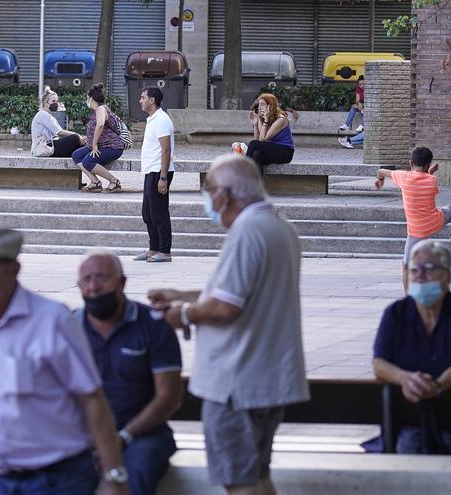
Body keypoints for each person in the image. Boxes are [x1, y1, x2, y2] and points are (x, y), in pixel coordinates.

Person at [149, 154, 309, 495]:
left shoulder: (248, 232)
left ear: (224, 193)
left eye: (208, 189)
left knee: (240, 483)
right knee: (257, 477)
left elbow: (225, 306)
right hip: (264, 381)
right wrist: (183, 294)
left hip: (236, 384)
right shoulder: (278, 228)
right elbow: (240, 292)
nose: (207, 198)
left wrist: (184, 314)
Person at [0, 227, 130, 495]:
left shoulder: (53, 320)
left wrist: (113, 476)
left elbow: (92, 399)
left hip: (60, 479)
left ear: (13, 268)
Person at [372, 240, 451, 455]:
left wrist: (439, 385)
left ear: (447, 276)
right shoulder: (395, 313)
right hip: (412, 415)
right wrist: (405, 379)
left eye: (429, 269)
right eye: (414, 270)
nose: (420, 275)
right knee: (408, 449)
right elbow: (379, 364)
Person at [77, 251, 183, 495]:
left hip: (142, 434)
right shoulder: (70, 329)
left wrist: (122, 436)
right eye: (86, 280)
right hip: (85, 435)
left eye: (102, 278)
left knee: (134, 475)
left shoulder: (154, 325)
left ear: (122, 282)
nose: (93, 287)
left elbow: (169, 397)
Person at [374, 146, 451, 290]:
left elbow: (381, 171)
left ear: (411, 163)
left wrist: (380, 180)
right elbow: (425, 180)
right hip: (435, 221)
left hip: (417, 230)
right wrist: (430, 172)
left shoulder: (403, 176)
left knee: (406, 265)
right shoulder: (432, 180)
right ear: (428, 165)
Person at [133, 87, 176, 263]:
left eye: (143, 97)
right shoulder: (152, 119)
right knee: (148, 213)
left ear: (152, 100)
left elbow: (166, 150)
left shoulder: (161, 120)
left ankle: (165, 251)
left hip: (160, 171)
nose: (140, 100)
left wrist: (163, 177)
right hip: (150, 170)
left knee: (159, 212)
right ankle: (153, 248)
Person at [72, 84, 124, 193]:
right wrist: (89, 138)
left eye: (87, 98)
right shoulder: (95, 111)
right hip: (98, 146)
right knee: (77, 155)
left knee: (88, 162)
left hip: (111, 147)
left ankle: (114, 181)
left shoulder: (101, 109)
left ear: (91, 98)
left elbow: (100, 125)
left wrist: (94, 144)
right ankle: (95, 182)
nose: (87, 101)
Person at [245, 93, 295, 175]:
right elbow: (258, 139)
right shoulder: (263, 117)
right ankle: (257, 185)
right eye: (259, 104)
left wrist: (265, 120)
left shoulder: (281, 119)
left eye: (262, 104)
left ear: (270, 106)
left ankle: (241, 170)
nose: (259, 107)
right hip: (272, 150)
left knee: (253, 144)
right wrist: (255, 123)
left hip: (285, 152)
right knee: (257, 154)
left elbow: (263, 139)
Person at [30, 86, 85, 158]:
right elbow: (60, 132)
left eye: (57, 101)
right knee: (75, 138)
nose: (56, 103)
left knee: (79, 147)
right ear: (45, 103)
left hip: (50, 146)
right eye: (53, 101)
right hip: (45, 148)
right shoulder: (42, 114)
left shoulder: (48, 115)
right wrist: (78, 136)